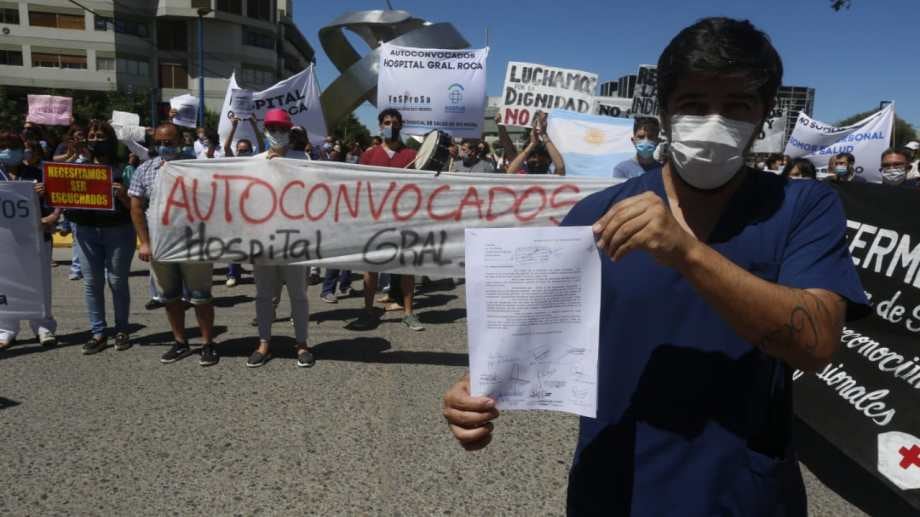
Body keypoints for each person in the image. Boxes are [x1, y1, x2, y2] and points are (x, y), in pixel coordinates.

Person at [443, 17, 869, 516]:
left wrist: (687, 252)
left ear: (764, 114)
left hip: (742, 495)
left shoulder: (803, 207)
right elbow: (532, 342)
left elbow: (816, 344)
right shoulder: (593, 217)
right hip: (615, 488)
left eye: (736, 107)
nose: (714, 123)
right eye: (693, 105)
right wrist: (476, 396)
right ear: (663, 113)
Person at [129, 123, 219, 366]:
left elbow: (214, 200)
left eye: (168, 143)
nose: (163, 147)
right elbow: (136, 207)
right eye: (158, 143)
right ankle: (180, 342)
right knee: (170, 298)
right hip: (161, 246)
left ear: (181, 142)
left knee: (201, 298)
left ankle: (208, 343)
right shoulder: (145, 169)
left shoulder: (195, 168)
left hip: (194, 244)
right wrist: (144, 243)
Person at [246, 108, 315, 368]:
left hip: (295, 239)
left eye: (282, 129)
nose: (277, 134)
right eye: (273, 129)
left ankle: (302, 343)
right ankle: (264, 342)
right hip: (263, 238)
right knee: (264, 294)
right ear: (265, 131)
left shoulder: (302, 158)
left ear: (290, 132)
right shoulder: (254, 162)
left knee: (298, 294)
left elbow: (313, 195)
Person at [347, 108, 424, 332]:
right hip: (375, 219)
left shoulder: (412, 155)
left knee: (407, 267)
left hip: (404, 219)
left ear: (401, 126)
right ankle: (368, 311)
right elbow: (359, 186)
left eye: (395, 122)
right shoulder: (369, 155)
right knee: (370, 268)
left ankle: (409, 313)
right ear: (380, 125)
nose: (391, 126)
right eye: (387, 122)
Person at [68, 120, 137, 354]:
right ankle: (98, 333)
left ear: (111, 140)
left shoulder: (125, 169)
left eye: (101, 136)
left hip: (119, 230)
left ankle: (122, 329)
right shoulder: (77, 167)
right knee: (92, 283)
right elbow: (62, 195)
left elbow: (135, 206)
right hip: (86, 231)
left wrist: (123, 195)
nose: (97, 140)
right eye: (92, 136)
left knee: (117, 281)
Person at [0, 129, 60, 349]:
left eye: (13, 148)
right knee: (4, 282)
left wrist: (51, 215)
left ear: (22, 151)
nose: (8, 152)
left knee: (41, 282)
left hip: (36, 235)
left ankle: (43, 327)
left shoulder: (37, 173)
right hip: (4, 239)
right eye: (3, 148)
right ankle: (6, 329)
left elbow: (57, 203)